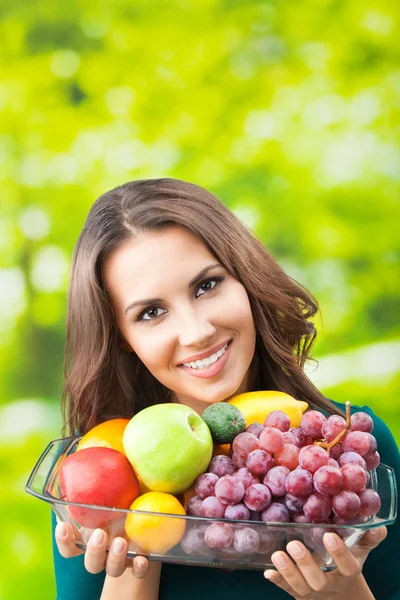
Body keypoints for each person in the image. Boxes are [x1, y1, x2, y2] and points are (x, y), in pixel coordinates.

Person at [53, 178, 400, 600]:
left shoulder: (347, 452)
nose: (197, 332)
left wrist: (342, 592)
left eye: (207, 286)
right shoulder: (96, 478)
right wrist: (134, 570)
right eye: (151, 312)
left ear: (246, 279)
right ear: (122, 336)